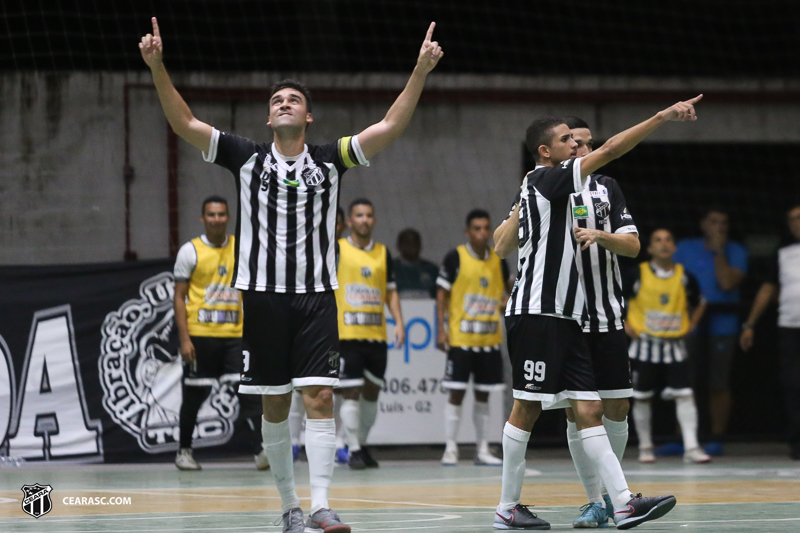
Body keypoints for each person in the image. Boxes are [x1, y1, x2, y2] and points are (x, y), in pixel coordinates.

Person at [140, 17, 442, 533]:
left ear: (307, 115)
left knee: (321, 396)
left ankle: (322, 504)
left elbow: (389, 128)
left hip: (316, 298)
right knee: (276, 403)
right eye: (277, 100)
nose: (284, 103)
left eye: (293, 99)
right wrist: (156, 66)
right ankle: (290, 508)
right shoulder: (246, 158)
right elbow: (184, 125)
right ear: (267, 117)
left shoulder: (331, 160)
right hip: (261, 298)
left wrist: (418, 71)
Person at [491, 96, 703, 530]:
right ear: (546, 151)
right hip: (537, 309)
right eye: (567, 139)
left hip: (570, 315)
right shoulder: (546, 178)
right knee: (526, 409)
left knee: (590, 410)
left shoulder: (570, 185)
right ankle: (506, 507)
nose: (578, 145)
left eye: (579, 139)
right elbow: (610, 151)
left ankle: (621, 503)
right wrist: (662, 116)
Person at [556, 117, 642, 528]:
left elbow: (633, 245)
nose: (583, 150)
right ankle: (597, 500)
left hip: (608, 315)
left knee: (617, 408)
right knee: (577, 412)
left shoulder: (607, 188)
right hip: (566, 318)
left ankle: (610, 493)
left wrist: (599, 236)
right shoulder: (546, 184)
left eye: (589, 144)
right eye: (576, 143)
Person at [173, 196, 268, 471]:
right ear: (203, 219)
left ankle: (261, 451)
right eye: (211, 215)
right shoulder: (190, 251)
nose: (217, 219)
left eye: (222, 214)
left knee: (249, 392)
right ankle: (184, 451)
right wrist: (184, 339)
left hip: (235, 336)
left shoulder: (242, 248)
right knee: (193, 395)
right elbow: (179, 298)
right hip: (200, 336)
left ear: (228, 218)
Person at [625, 229, 711, 466]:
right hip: (644, 346)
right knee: (641, 397)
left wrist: (691, 325)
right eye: (658, 240)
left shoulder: (685, 277)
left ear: (674, 246)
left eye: (668, 239)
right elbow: (613, 300)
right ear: (649, 248)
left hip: (675, 347)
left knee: (685, 395)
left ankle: (692, 447)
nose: (664, 244)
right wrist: (625, 324)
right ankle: (645, 446)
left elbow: (701, 302)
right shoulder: (637, 275)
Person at [436, 209, 512, 466]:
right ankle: (450, 448)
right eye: (476, 229)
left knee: (484, 395)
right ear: (467, 232)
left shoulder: (499, 260)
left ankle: (482, 449)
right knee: (456, 394)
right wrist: (441, 329)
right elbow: (441, 294)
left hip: (489, 341)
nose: (482, 233)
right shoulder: (455, 257)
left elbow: (504, 295)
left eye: (485, 228)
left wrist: (505, 302)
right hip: (461, 341)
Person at [335, 198, 404, 469]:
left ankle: (361, 444)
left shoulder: (383, 253)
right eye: (359, 216)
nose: (364, 220)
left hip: (376, 335)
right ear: (350, 221)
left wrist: (399, 322)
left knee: (372, 395)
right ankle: (352, 449)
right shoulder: (337, 249)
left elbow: (391, 292)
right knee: (350, 392)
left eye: (369, 215)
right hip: (346, 335)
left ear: (374, 220)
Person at [674, 208, 748, 453]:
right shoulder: (685, 247)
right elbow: (671, 283)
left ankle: (718, 437)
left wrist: (718, 251)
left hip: (722, 326)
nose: (720, 226)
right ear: (703, 224)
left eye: (724, 222)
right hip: (687, 326)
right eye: (714, 222)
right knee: (685, 383)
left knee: (719, 381)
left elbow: (727, 282)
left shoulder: (736, 251)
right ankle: (684, 439)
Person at [740, 204, 800, 459]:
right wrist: (750, 323)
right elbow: (768, 288)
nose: (798, 222)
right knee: (792, 385)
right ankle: (797, 442)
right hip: (790, 328)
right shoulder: (784, 254)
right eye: (794, 219)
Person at [393, 228, 440, 299]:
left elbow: (441, 295)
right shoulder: (390, 268)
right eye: (407, 243)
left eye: (415, 242)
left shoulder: (432, 269)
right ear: (399, 246)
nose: (411, 246)